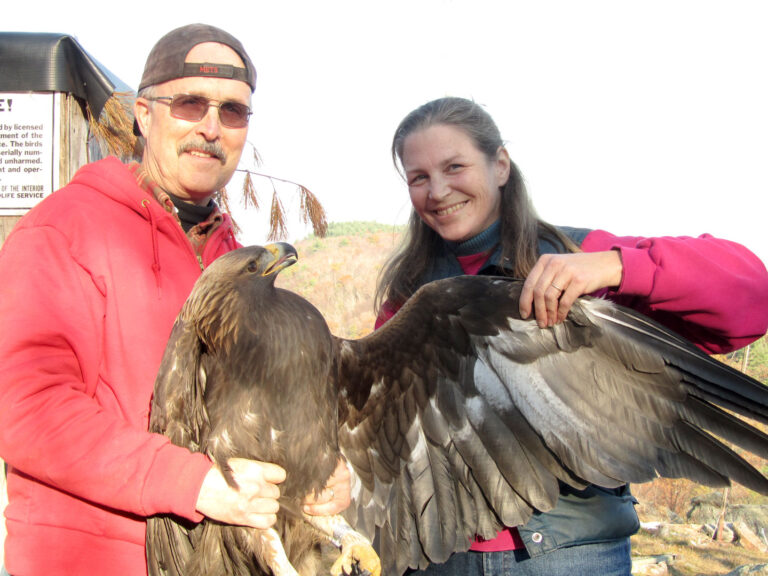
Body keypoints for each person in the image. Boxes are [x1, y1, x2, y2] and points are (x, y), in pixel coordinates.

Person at [0, 24, 350, 576]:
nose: (211, 128)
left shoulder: (234, 256)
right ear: (144, 113)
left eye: (233, 112)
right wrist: (194, 483)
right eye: (190, 104)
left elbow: (249, 418)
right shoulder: (66, 231)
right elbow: (26, 408)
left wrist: (319, 472)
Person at [374, 96, 768, 575]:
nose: (437, 190)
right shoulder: (405, 298)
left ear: (500, 165)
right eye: (418, 177)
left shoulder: (574, 256)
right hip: (442, 556)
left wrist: (619, 266)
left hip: (568, 554)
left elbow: (751, 299)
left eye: (454, 166)